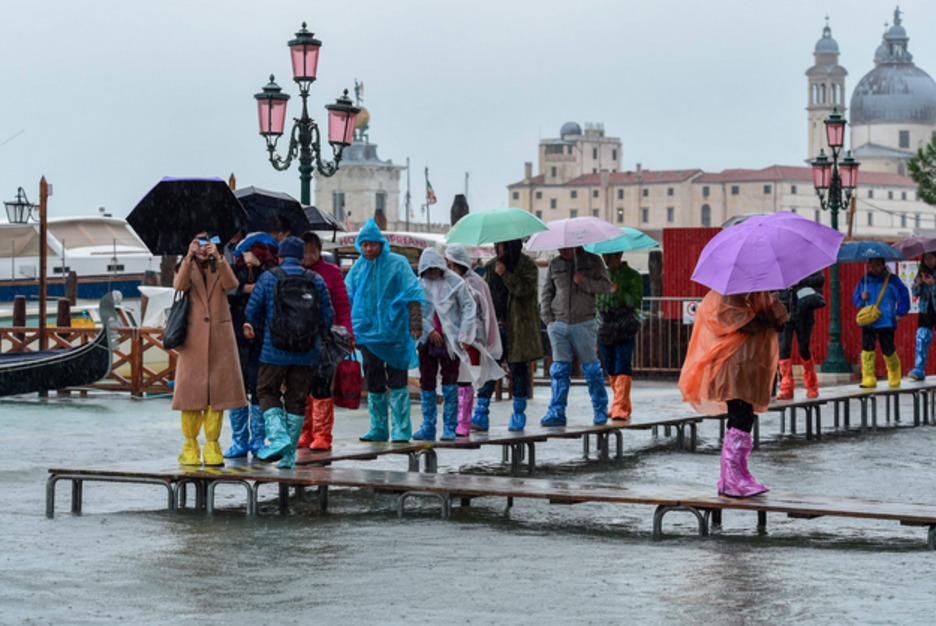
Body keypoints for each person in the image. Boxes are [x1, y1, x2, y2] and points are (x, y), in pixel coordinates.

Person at [679, 290, 788, 497]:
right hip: (731, 364)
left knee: (745, 417)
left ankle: (737, 472)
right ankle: (731, 476)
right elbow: (740, 322)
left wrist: (771, 314)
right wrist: (764, 317)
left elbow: (777, 321)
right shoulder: (724, 296)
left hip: (749, 366)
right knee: (739, 415)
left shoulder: (759, 295)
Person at [244, 236, 334, 469]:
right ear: (302, 257)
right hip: (307, 351)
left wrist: (265, 328)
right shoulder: (316, 279)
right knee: (297, 399)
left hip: (274, 350)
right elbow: (327, 315)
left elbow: (251, 311)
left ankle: (278, 437)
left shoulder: (268, 277)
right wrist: (315, 336)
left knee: (265, 391)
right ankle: (288, 456)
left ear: (281, 256)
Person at [345, 219, 424, 443]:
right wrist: (349, 329)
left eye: (373, 244)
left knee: (398, 380)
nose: (368, 249)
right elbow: (347, 297)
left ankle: (401, 429)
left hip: (396, 333)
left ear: (381, 244)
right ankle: (378, 428)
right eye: (365, 245)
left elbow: (413, 294)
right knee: (374, 379)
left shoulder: (398, 264)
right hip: (368, 335)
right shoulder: (358, 268)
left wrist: (416, 323)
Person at [172, 233, 247, 466]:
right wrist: (188, 257)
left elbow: (232, 285)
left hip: (219, 339)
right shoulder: (184, 265)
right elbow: (179, 285)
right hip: (193, 338)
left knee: (218, 396)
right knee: (191, 397)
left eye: (207, 244)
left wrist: (220, 258)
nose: (203, 248)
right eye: (198, 243)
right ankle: (190, 445)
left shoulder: (220, 265)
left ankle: (213, 445)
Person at [471, 239, 543, 431]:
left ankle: (519, 414)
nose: (497, 248)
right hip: (496, 326)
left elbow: (525, 291)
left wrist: (507, 275)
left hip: (518, 328)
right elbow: (485, 295)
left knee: (519, 370)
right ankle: (480, 413)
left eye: (501, 244)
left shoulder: (527, 266)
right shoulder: (491, 266)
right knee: (490, 367)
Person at [540, 246, 612, 427]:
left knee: (592, 370)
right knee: (559, 370)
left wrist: (584, 282)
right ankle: (556, 412)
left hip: (584, 322)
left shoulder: (593, 261)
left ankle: (600, 409)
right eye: (559, 247)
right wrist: (548, 318)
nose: (561, 250)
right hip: (559, 323)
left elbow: (605, 286)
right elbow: (547, 291)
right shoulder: (555, 264)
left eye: (565, 247)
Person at [223, 233, 279, 458]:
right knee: (237, 386)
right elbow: (224, 288)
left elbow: (276, 285)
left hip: (262, 335)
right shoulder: (231, 265)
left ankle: (258, 439)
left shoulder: (270, 270)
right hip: (235, 333)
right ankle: (239, 440)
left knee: (259, 386)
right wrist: (242, 288)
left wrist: (260, 268)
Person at [412, 248, 476, 441]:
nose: (432, 273)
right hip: (426, 340)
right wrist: (429, 328)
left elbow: (468, 306)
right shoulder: (418, 285)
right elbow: (414, 309)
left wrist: (464, 333)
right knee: (427, 382)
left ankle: (450, 426)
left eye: (435, 268)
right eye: (428, 269)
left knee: (450, 382)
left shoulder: (456, 283)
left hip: (451, 340)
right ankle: (428, 425)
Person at [298, 231, 354, 451]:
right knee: (300, 386)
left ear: (320, 252)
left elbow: (342, 304)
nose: (308, 256)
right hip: (299, 337)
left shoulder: (331, 273)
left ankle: (322, 434)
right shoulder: (294, 272)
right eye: (304, 251)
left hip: (325, 336)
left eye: (313, 251)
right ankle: (304, 431)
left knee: (321, 384)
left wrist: (348, 332)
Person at [444, 243, 503, 436]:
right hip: (451, 337)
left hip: (472, 337)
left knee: (466, 378)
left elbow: (487, 312)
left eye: (453, 265)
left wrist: (487, 338)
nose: (450, 269)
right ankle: (453, 421)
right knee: (452, 378)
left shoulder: (477, 283)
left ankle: (464, 421)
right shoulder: (446, 282)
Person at [597, 251, 643, 420]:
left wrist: (618, 292)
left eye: (608, 257)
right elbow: (598, 300)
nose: (605, 260)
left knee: (622, 363)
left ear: (618, 256)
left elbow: (636, 301)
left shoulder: (633, 276)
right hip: (606, 324)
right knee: (609, 364)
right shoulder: (602, 276)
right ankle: (621, 401)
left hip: (624, 324)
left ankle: (620, 406)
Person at [853, 257, 910, 388]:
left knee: (888, 349)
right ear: (869, 265)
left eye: (878, 265)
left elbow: (903, 296)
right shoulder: (864, 280)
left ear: (884, 265)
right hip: (869, 320)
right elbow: (855, 300)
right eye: (872, 265)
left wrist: (900, 312)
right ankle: (868, 377)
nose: (875, 268)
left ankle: (894, 375)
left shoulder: (892, 280)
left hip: (886, 321)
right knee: (867, 349)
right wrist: (861, 298)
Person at [776, 271, 825, 399]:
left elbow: (820, 280)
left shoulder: (807, 264)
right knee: (783, 349)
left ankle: (811, 385)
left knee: (804, 349)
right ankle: (786, 386)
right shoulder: (780, 266)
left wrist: (800, 281)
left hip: (804, 313)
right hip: (785, 312)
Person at [909, 252, 936, 380]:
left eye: (931, 257)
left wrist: (933, 285)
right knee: (922, 337)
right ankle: (919, 368)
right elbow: (915, 292)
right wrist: (918, 284)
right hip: (926, 310)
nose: (928, 261)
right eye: (926, 258)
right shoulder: (922, 273)